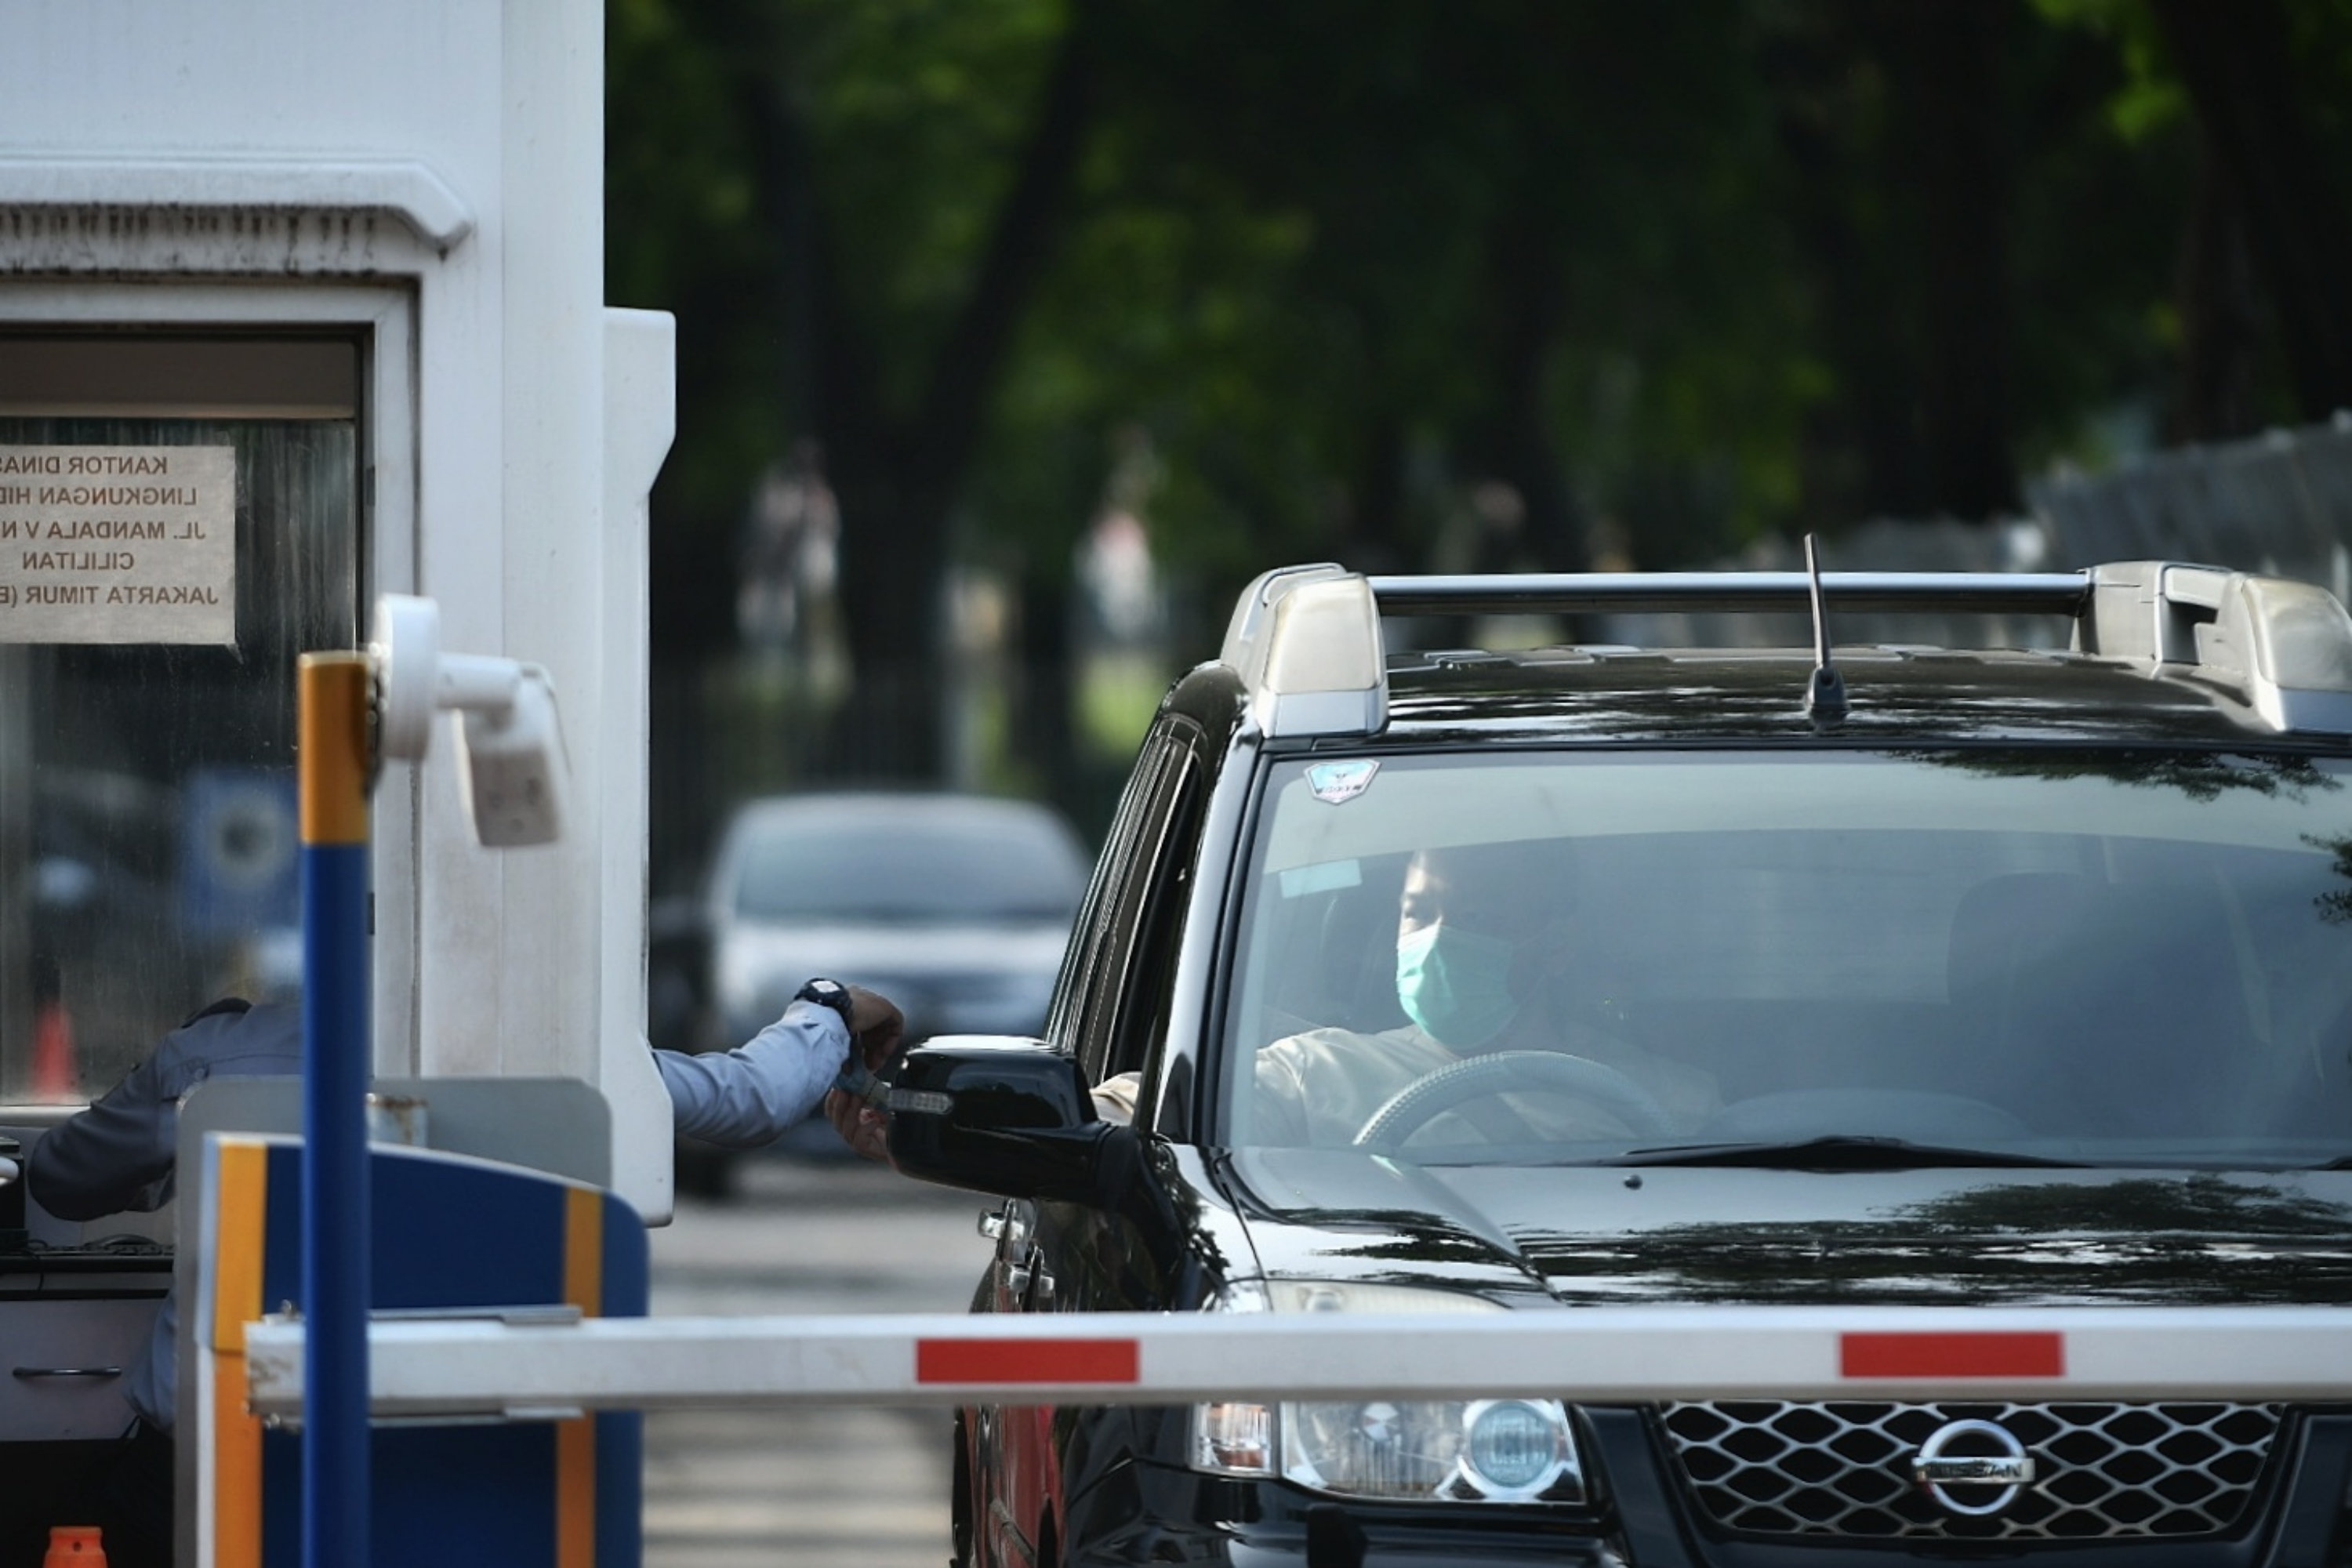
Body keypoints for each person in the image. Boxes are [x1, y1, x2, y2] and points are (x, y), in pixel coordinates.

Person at [21, 979, 901, 1567]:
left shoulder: (212, 1056)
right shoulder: (564, 1058)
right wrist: (824, 1006)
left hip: (209, 1477)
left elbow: (62, 1177)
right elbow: (751, 1096)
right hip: (457, 1474)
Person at [1095, 840, 1715, 1146]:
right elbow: (1157, 1112)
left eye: (1479, 918)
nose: (1441, 938)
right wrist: (1095, 1117)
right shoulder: (1318, 1070)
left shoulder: (1667, 1102)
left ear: (1557, 948)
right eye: (1419, 913)